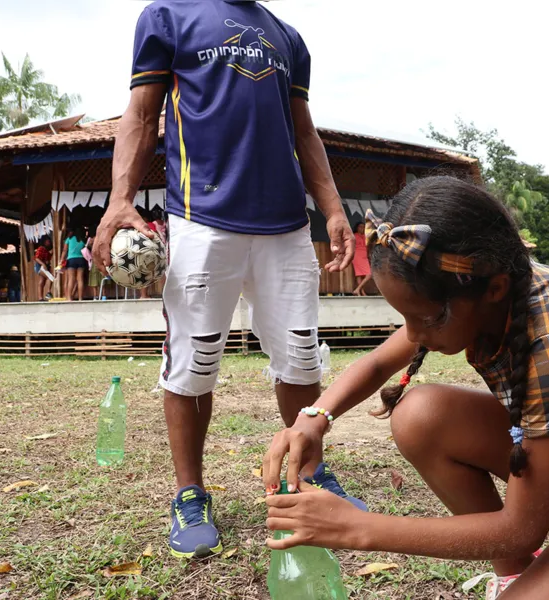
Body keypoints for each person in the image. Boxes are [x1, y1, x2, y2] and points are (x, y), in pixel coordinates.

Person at [262, 178, 549, 600]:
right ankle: (517, 576)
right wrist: (312, 419)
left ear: (495, 288)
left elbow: (522, 527)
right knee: (419, 415)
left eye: (428, 319)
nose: (415, 335)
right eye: (406, 318)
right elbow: (380, 359)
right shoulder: (471, 288)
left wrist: (357, 529)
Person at [93, 0, 357, 559]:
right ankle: (190, 494)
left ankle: (309, 475)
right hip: (201, 218)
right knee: (193, 363)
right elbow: (141, 115)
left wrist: (332, 208)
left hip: (286, 223)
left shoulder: (289, 38)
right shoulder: (168, 16)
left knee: (301, 358)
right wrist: (119, 201)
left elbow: (303, 131)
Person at [62, 228, 88, 301]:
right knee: (80, 279)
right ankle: (80, 298)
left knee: (71, 279)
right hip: (81, 259)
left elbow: (64, 250)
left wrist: (61, 260)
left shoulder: (69, 239)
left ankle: (69, 298)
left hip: (71, 260)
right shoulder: (83, 239)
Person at [352, 221, 372, 296]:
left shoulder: (366, 236)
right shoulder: (354, 236)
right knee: (366, 274)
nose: (362, 228)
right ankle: (360, 291)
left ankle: (359, 291)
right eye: (360, 227)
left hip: (364, 256)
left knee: (363, 275)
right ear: (357, 228)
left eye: (363, 227)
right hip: (357, 256)